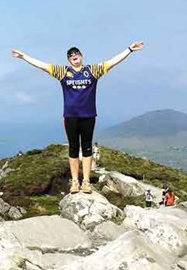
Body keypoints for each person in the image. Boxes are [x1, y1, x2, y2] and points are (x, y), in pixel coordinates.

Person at [12, 42, 144, 193]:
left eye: (76, 54)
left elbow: (113, 62)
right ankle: (75, 182)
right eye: (70, 55)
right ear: (68, 60)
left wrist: (129, 50)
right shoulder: (62, 72)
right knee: (73, 148)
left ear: (81, 56)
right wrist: (24, 57)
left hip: (88, 115)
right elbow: (42, 65)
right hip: (70, 116)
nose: (74, 56)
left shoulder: (93, 70)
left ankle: (86, 182)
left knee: (87, 148)